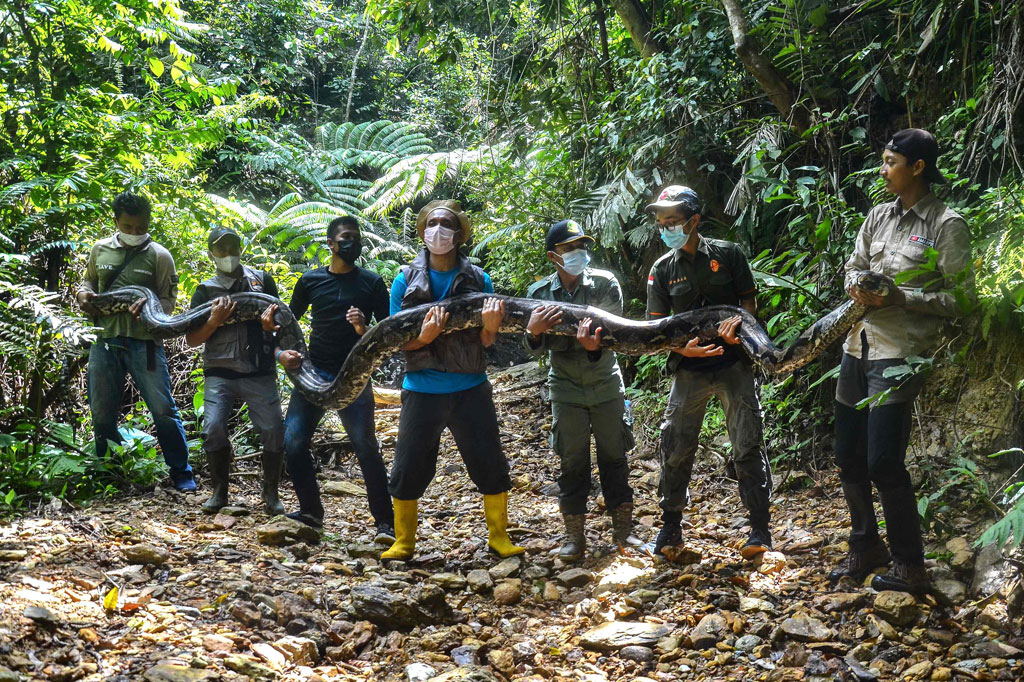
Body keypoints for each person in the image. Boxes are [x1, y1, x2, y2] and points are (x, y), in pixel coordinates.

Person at [830, 128, 971, 594]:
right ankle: (865, 545)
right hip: (856, 347)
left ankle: (910, 565)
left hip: (899, 355)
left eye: (891, 162)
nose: (883, 170)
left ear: (917, 167)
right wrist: (857, 283)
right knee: (848, 456)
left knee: (884, 462)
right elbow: (853, 266)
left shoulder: (946, 224)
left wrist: (902, 297)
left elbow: (962, 299)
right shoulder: (878, 216)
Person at [381, 200, 523, 561]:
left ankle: (499, 537)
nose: (438, 230)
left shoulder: (479, 279)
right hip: (421, 389)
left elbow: (486, 341)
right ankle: (404, 541)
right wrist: (424, 338)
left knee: (490, 463)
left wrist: (491, 328)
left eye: (446, 224)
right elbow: (395, 340)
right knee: (408, 466)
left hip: (470, 387)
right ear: (422, 232)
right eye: (432, 223)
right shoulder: (403, 280)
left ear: (459, 234)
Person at [644, 185, 773, 561]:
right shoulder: (662, 269)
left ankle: (759, 527)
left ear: (694, 220)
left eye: (672, 221)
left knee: (747, 443)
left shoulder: (728, 254)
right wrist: (680, 348)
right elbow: (656, 327)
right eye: (661, 222)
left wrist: (740, 327)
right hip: (689, 369)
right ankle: (671, 525)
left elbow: (748, 303)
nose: (666, 228)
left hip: (733, 364)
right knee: (676, 445)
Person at [524, 219, 641, 561]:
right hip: (565, 388)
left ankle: (624, 532)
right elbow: (533, 349)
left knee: (614, 458)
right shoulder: (539, 295)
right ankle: (574, 536)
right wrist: (533, 333)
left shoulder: (605, 283)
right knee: (572, 462)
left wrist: (594, 347)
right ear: (553, 256)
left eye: (581, 246)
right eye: (569, 248)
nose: (578, 252)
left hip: (605, 383)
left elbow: (615, 335)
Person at [274, 216, 395, 542]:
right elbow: (285, 325)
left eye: (356, 237)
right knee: (293, 442)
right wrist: (280, 354)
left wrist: (362, 328)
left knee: (366, 446)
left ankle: (385, 523)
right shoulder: (310, 281)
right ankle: (311, 512)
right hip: (314, 374)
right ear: (330, 243)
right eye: (345, 237)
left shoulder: (372, 283)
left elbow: (388, 335)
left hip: (354, 376)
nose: (352, 243)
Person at [76, 191, 195, 491]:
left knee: (163, 409)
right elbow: (88, 281)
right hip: (105, 340)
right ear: (116, 221)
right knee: (101, 411)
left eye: (140, 227)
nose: (134, 232)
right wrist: (82, 294)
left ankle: (182, 473)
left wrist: (150, 311)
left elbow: (168, 302)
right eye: (127, 226)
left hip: (146, 343)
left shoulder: (160, 256)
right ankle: (109, 474)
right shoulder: (100, 249)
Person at [184, 226, 285, 515]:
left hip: (259, 370)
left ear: (241, 249)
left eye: (233, 247)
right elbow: (192, 340)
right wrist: (213, 321)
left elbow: (281, 327)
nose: (228, 254)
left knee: (273, 430)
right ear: (211, 254)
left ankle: (271, 493)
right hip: (220, 371)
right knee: (213, 428)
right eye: (221, 249)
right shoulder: (205, 290)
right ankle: (219, 491)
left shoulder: (262, 281)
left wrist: (269, 328)